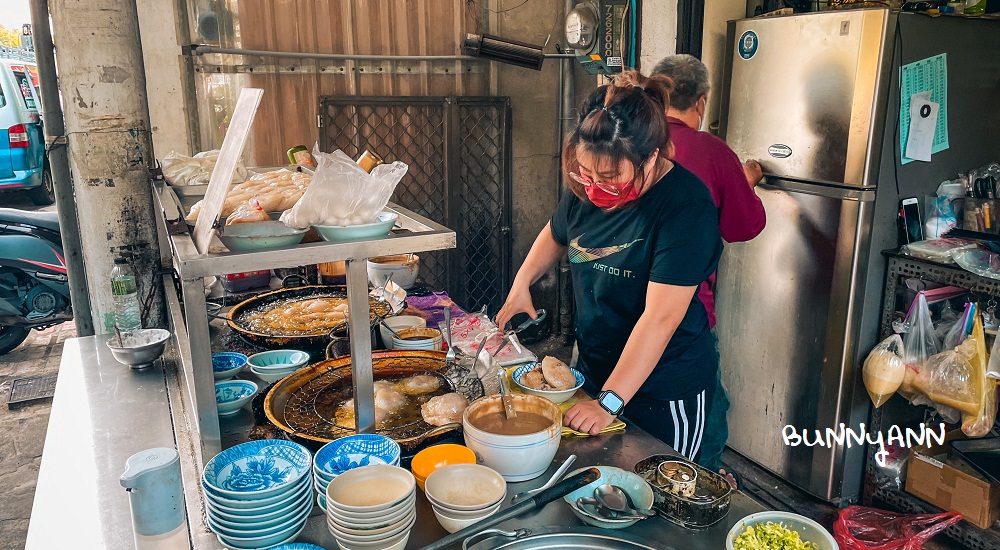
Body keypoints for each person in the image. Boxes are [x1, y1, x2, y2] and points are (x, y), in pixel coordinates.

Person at [496, 70, 723, 460]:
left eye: (611, 177)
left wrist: (609, 403)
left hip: (664, 388)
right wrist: (522, 284)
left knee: (663, 492)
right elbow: (556, 233)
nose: (595, 189)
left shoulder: (686, 207)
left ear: (651, 157)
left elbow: (660, 319)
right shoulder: (586, 188)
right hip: (595, 368)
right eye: (586, 175)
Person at [650, 54, 767, 475]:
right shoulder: (714, 152)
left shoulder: (635, 142)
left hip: (621, 302)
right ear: (701, 103)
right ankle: (703, 495)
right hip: (687, 311)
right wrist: (746, 183)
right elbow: (743, 225)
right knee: (708, 417)